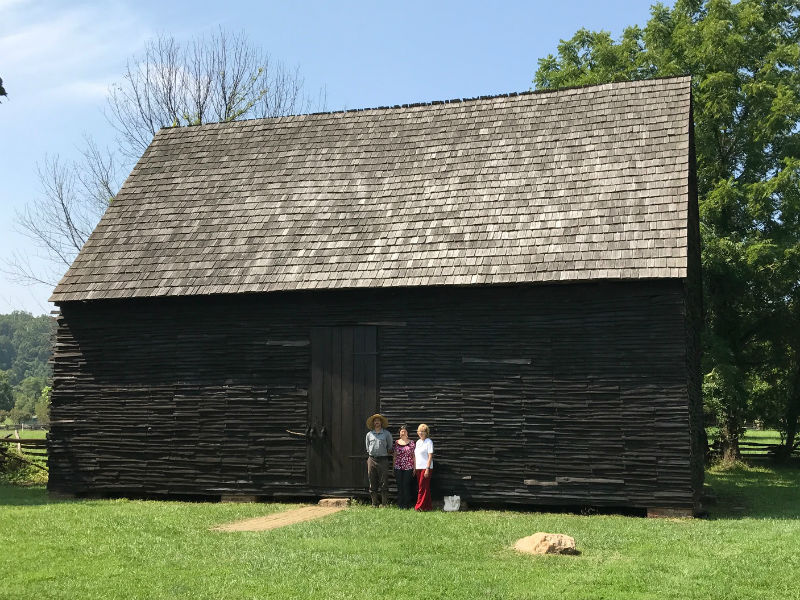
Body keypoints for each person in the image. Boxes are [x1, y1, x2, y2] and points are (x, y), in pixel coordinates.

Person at [365, 413, 393, 507]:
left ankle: (384, 504)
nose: (377, 422)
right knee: (372, 480)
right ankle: (374, 503)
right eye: (375, 421)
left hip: (383, 459)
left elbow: (390, 447)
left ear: (381, 422)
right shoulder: (369, 434)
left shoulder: (387, 434)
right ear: (373, 423)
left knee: (384, 481)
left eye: (378, 420)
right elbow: (367, 448)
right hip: (371, 459)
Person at [392, 425, 416, 509]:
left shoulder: (412, 443)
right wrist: (393, 467)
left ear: (407, 433)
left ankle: (407, 504)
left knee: (406, 485)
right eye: (401, 431)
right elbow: (394, 456)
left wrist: (414, 468)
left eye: (404, 431)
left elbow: (414, 456)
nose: (403, 432)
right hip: (398, 467)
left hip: (408, 467)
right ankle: (400, 504)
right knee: (399, 485)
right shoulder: (396, 442)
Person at [414, 423, 434, 511]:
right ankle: (427, 506)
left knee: (422, 487)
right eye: (419, 431)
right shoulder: (418, 442)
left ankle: (419, 506)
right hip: (418, 468)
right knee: (424, 487)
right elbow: (415, 456)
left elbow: (430, 456)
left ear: (426, 432)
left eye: (423, 431)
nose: (421, 433)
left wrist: (427, 468)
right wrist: (414, 468)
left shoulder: (429, 442)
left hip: (426, 468)